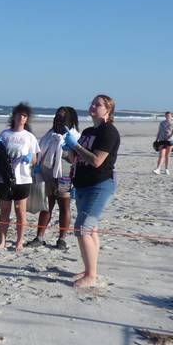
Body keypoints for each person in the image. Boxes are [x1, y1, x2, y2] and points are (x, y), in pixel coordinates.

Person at [62, 94, 120, 288]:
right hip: (82, 185)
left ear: (108, 110)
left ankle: (91, 275)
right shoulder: (87, 131)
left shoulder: (109, 132)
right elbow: (75, 159)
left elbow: (96, 161)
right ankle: (90, 269)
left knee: (82, 228)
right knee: (91, 228)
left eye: (99, 104)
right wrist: (69, 148)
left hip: (100, 184)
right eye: (92, 103)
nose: (93, 106)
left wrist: (76, 145)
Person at [26, 106, 80, 250]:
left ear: (69, 119)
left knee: (64, 206)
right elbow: (40, 151)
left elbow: (75, 159)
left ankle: (62, 239)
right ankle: (39, 237)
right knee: (46, 206)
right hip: (46, 175)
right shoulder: (49, 135)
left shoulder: (74, 136)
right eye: (57, 116)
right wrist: (35, 166)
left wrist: (67, 150)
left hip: (65, 177)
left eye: (62, 117)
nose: (59, 119)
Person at [0, 103, 40, 252]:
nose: (21, 118)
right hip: (4, 178)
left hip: (23, 179)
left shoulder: (30, 137)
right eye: (19, 114)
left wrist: (30, 157)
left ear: (27, 119)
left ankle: (19, 241)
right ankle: (2, 241)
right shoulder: (5, 134)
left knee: (20, 211)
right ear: (14, 116)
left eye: (24, 116)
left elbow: (35, 160)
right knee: (4, 211)